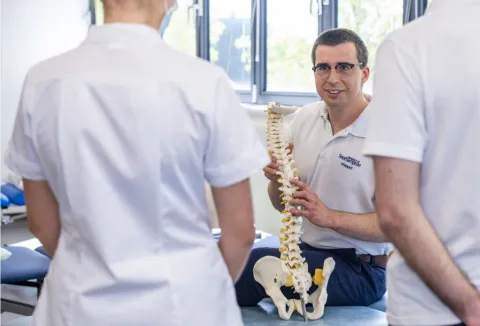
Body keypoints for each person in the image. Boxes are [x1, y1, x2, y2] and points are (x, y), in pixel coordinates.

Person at [3, 0, 270, 325]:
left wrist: (89, 272)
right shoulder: (204, 82)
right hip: (185, 304)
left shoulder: (42, 81)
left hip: (78, 305)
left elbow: (41, 223)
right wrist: (202, 289)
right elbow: (240, 232)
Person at [235, 28, 394, 308]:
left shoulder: (390, 132)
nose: (333, 78)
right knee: (229, 260)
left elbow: (396, 225)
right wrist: (276, 181)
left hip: (362, 270)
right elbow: (282, 205)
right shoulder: (303, 119)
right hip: (304, 252)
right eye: (323, 68)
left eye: (344, 67)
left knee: (248, 269)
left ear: (364, 73)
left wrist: (328, 216)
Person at [363, 1, 480, 326]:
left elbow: (395, 212)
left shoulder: (409, 48)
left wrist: (471, 307)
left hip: (434, 308)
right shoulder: (304, 122)